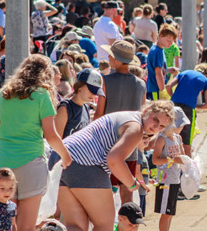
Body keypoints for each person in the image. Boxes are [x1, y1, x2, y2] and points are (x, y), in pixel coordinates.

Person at [58, 101, 174, 231]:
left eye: (161, 126)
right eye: (155, 120)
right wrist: (131, 184)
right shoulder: (136, 126)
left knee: (76, 226)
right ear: (146, 111)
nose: (156, 127)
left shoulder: (126, 117)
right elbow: (114, 160)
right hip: (86, 164)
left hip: (63, 159)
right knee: (104, 225)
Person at [0, 54, 73, 231]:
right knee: (26, 229)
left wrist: (8, 147)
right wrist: (66, 157)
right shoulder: (42, 95)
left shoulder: (4, 95)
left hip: (3, 162)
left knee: (3, 227)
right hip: (31, 164)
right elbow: (51, 136)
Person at [94, 40, 146, 203]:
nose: (108, 58)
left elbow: (99, 114)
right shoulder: (141, 84)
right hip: (130, 142)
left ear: (116, 59)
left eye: (110, 55)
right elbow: (142, 114)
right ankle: (128, 223)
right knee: (127, 189)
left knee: (106, 190)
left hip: (107, 142)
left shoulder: (106, 81)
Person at [48, 68, 103, 170]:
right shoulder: (65, 108)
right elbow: (56, 142)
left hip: (79, 165)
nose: (94, 95)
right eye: (91, 90)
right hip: (63, 165)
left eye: (96, 92)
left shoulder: (86, 108)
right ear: (80, 86)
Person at [151, 107, 189, 231]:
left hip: (175, 178)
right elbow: (155, 160)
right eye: (180, 124)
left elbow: (182, 156)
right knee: (165, 212)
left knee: (170, 212)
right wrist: (173, 159)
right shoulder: (162, 139)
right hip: (165, 179)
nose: (183, 127)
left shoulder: (178, 138)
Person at [166, 63, 207, 157]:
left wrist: (173, 97)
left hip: (172, 106)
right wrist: (195, 106)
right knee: (186, 142)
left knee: (168, 135)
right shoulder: (206, 80)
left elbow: (168, 86)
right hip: (187, 110)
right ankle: (187, 169)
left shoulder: (184, 73)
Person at [145, 24, 177, 100]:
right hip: (155, 89)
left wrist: (168, 69)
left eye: (172, 42)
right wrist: (162, 90)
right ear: (161, 35)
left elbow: (157, 68)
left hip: (154, 88)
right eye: (168, 40)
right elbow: (158, 74)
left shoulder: (159, 49)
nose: (170, 43)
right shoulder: (157, 51)